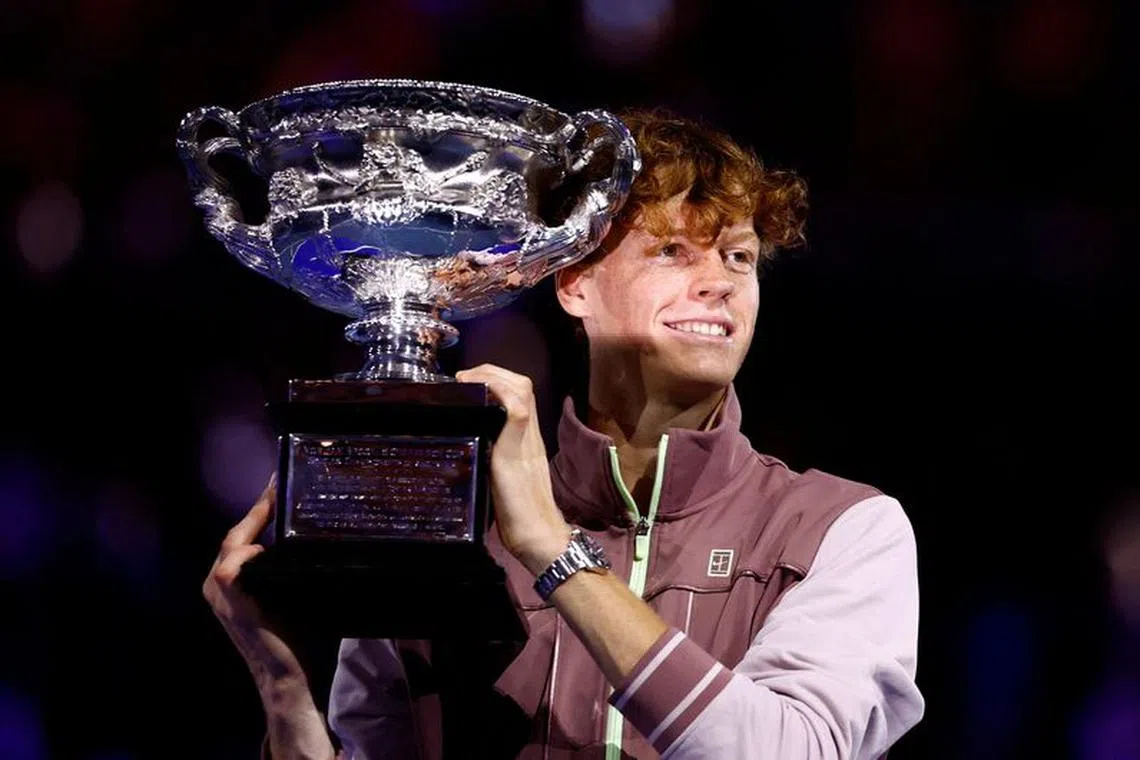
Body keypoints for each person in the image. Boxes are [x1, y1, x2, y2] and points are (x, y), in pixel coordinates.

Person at [204, 109, 926, 759]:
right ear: (574, 283)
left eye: (737, 256)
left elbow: (787, 751)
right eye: (673, 251)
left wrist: (552, 548)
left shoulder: (843, 529)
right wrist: (285, 694)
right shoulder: (449, 523)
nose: (719, 281)